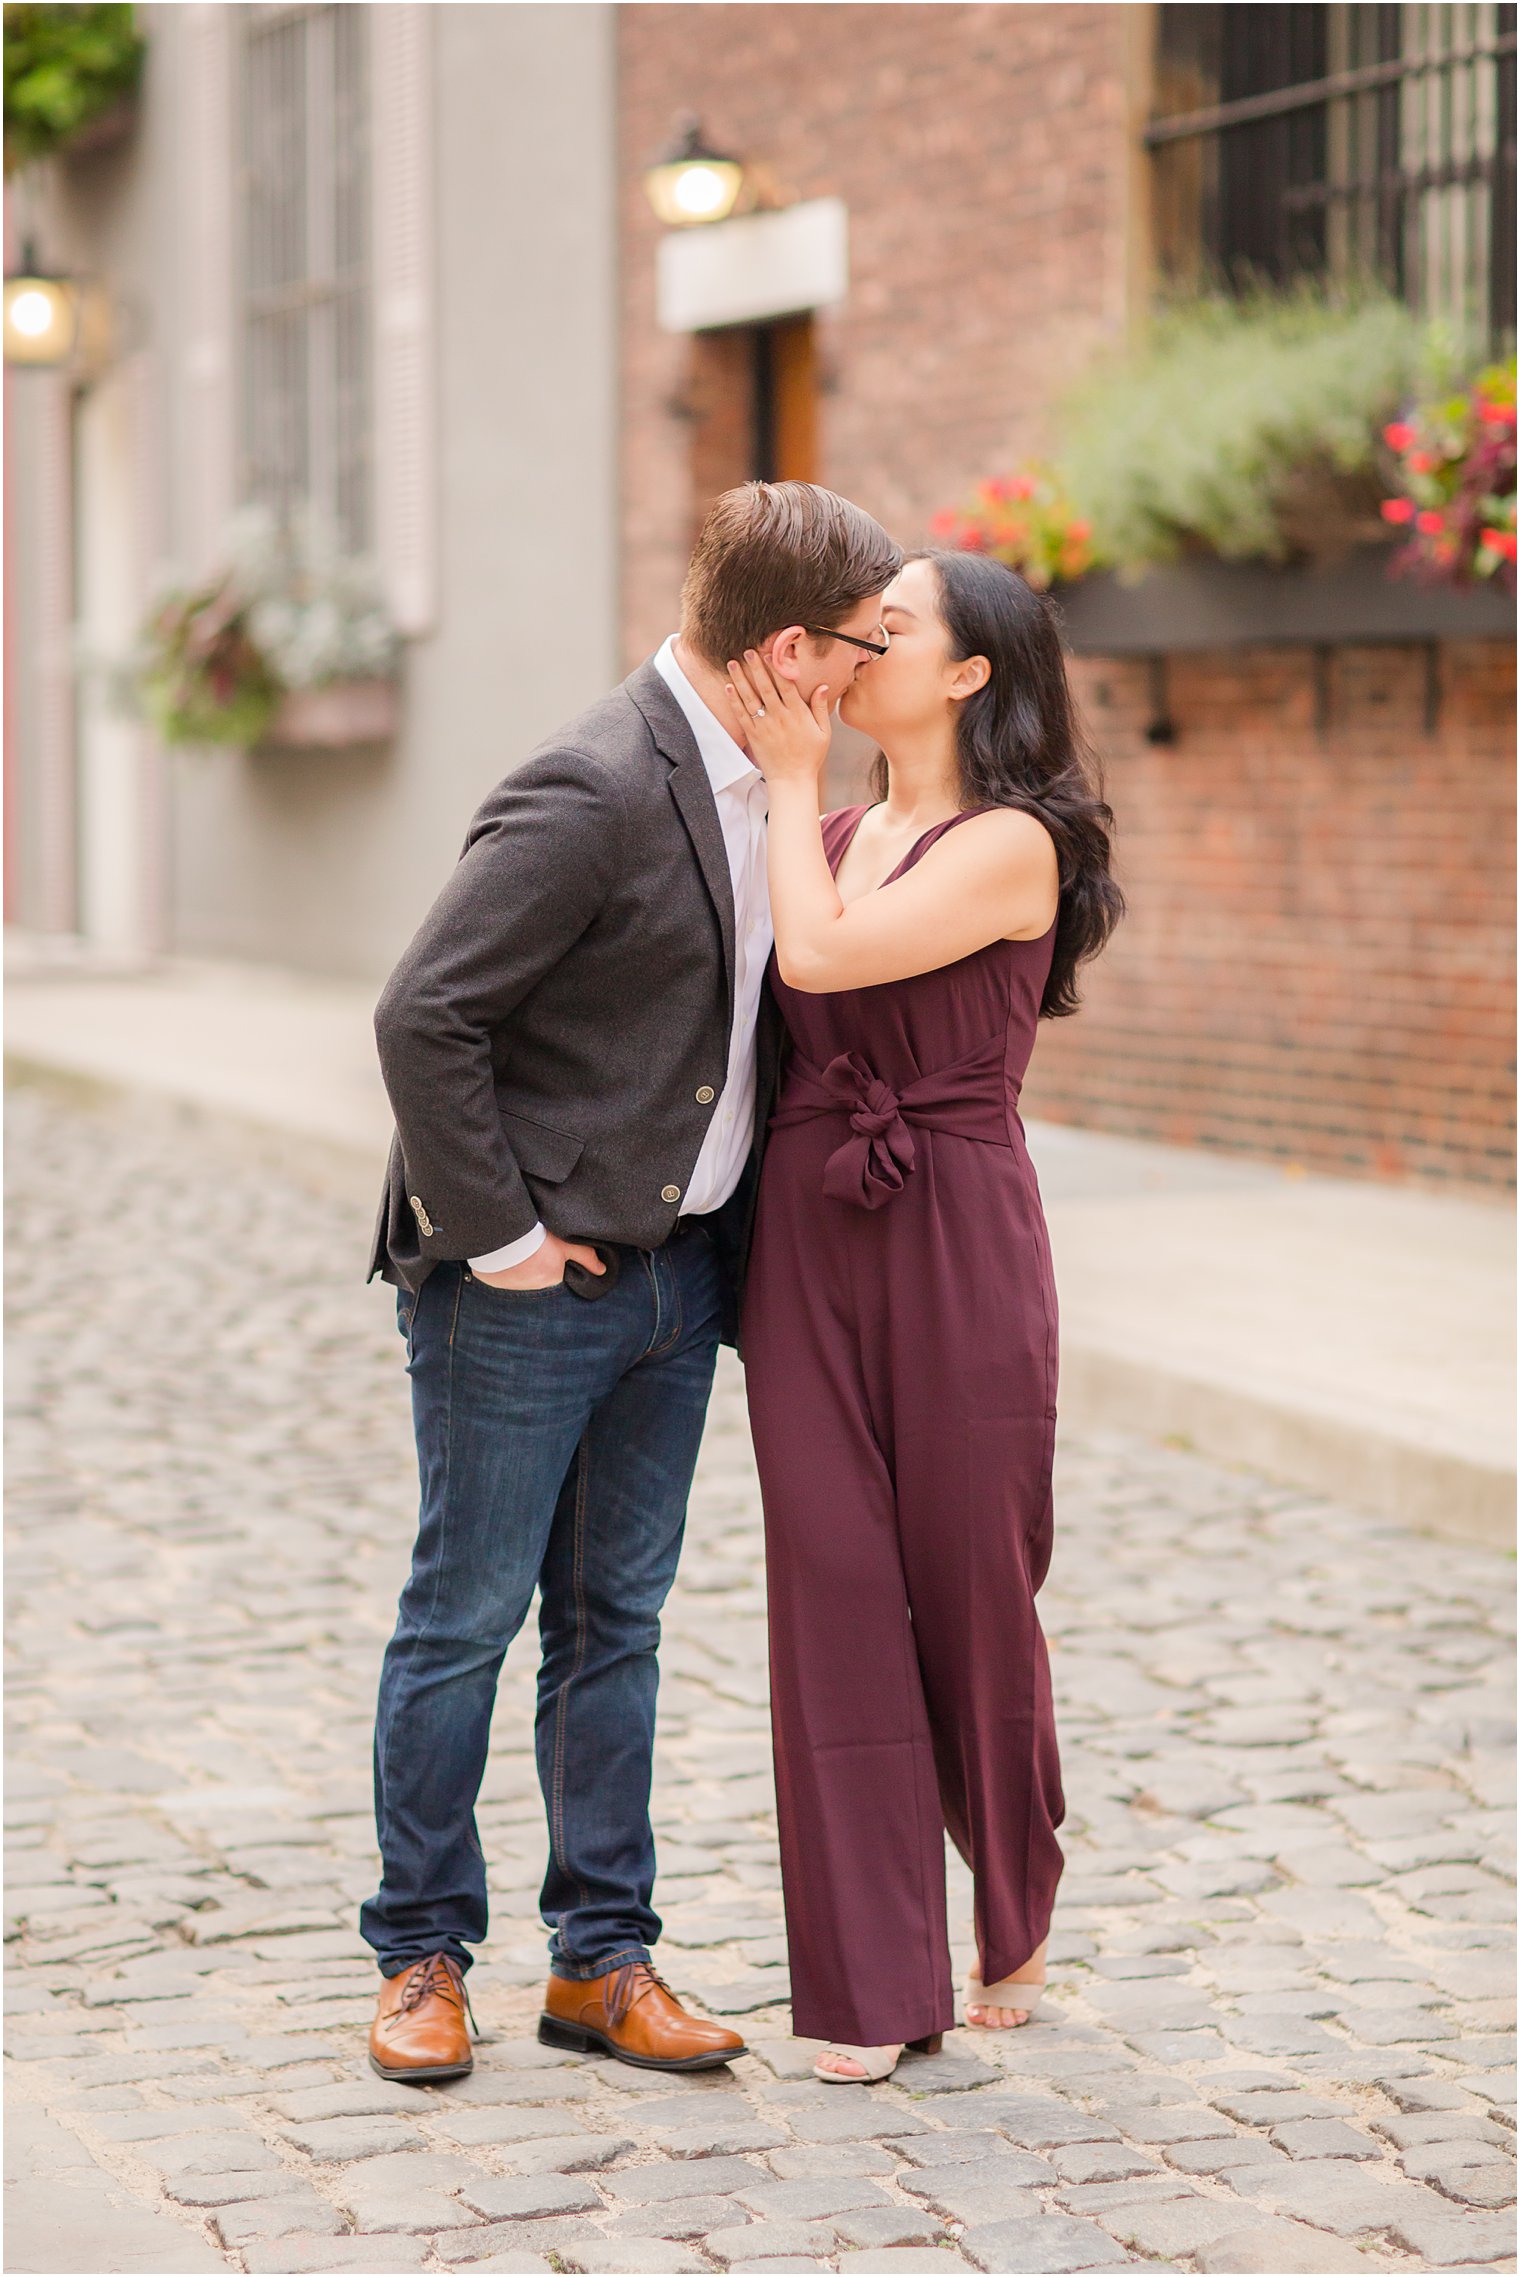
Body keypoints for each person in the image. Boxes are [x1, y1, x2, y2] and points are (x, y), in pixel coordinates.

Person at [361, 481, 902, 2082]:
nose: (880, 661)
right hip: (525, 1294)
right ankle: (418, 1953)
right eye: (867, 639)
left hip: (675, 1289)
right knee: (465, 1619)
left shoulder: (781, 782)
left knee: (619, 1628)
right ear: (794, 649)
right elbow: (422, 1019)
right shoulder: (593, 783)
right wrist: (506, 1240)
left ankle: (603, 1957)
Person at [732, 548, 1123, 2083]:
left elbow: (820, 952)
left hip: (957, 1227)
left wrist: (780, 780)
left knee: (971, 1584)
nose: (853, 646)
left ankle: (1013, 1898)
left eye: (886, 629)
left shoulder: (1015, 843)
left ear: (968, 673)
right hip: (808, 1233)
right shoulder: (829, 828)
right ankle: (869, 1980)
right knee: (828, 1589)